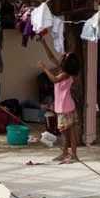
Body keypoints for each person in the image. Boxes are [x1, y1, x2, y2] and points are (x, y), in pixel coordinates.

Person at [37, 36, 81, 164]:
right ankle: (65, 153)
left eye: (63, 58)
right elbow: (51, 57)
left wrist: (44, 68)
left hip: (66, 107)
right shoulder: (63, 71)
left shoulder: (65, 74)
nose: (60, 58)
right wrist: (44, 42)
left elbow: (54, 80)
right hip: (63, 106)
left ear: (66, 63)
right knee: (65, 132)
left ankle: (74, 154)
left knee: (70, 131)